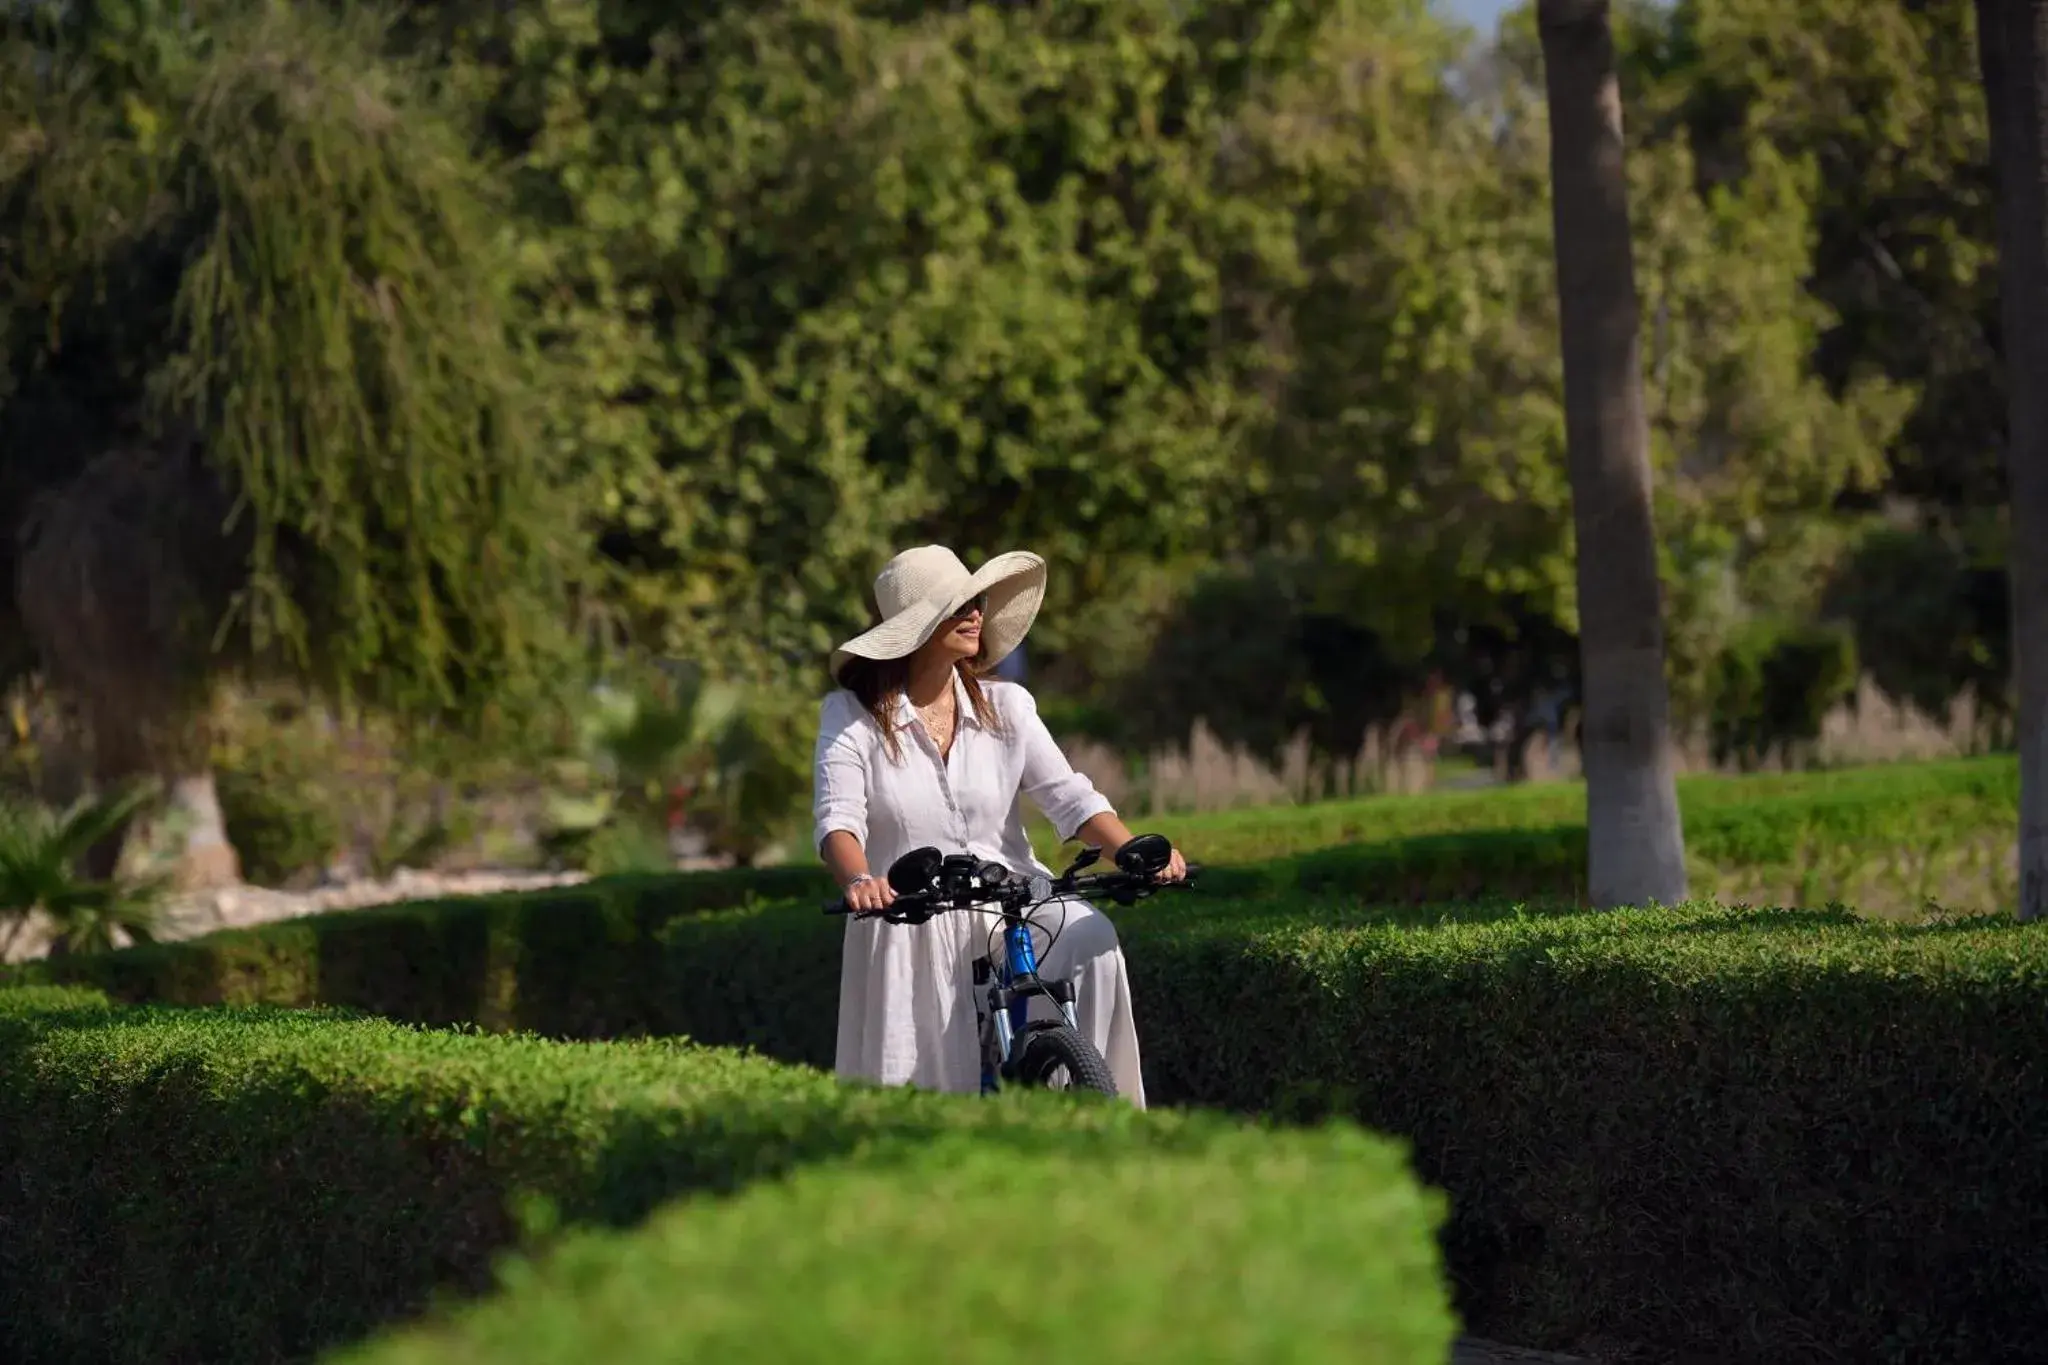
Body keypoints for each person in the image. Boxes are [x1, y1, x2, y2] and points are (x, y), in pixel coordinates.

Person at [813, 544, 1186, 1107]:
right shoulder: (850, 717)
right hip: (911, 916)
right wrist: (860, 880)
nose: (975, 614)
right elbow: (838, 820)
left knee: (1092, 938)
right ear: (915, 627)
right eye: (957, 605)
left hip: (1011, 898)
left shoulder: (1008, 706)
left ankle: (1102, 1109)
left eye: (977, 602)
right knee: (927, 1104)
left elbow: (1069, 797)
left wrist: (1133, 851)